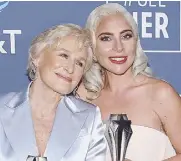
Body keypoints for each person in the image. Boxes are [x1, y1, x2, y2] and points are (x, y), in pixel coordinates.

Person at [77, 3, 181, 161]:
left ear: (136, 42)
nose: (118, 47)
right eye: (106, 38)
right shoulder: (83, 97)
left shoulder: (161, 94)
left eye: (126, 36)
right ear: (93, 48)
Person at [0, 24, 107, 161]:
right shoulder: (2, 109)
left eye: (79, 63)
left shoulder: (89, 118)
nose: (70, 68)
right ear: (37, 56)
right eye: (64, 55)